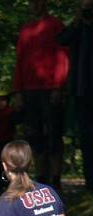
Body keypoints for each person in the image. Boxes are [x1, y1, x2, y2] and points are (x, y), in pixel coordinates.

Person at [13, 0, 69, 189]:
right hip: (29, 90)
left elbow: (62, 57)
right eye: (31, 2)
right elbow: (19, 61)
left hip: (50, 89)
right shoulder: (25, 30)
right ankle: (41, 177)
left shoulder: (55, 25)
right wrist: (18, 91)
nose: (35, 5)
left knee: (54, 133)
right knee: (33, 134)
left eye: (38, 1)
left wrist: (58, 86)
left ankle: (56, 178)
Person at [58, 0, 93, 191]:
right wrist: (78, 20)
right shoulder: (78, 28)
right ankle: (90, 181)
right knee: (86, 137)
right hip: (82, 90)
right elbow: (62, 39)